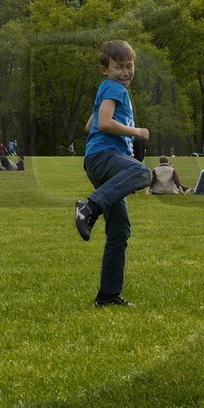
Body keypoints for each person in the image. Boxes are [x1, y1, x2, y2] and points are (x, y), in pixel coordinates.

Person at [74, 40, 151, 308]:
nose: (125, 72)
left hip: (100, 160)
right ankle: (89, 207)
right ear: (103, 70)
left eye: (129, 66)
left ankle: (107, 295)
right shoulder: (114, 87)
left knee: (119, 230)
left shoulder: (108, 89)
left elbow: (90, 124)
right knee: (142, 172)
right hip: (106, 157)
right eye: (118, 67)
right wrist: (136, 132)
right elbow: (105, 123)